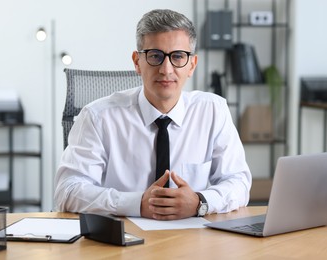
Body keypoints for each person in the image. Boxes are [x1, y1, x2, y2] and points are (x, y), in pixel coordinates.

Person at [54, 9, 252, 220]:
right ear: (137, 62)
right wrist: (137, 204)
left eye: (177, 56)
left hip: (192, 241)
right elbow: (67, 191)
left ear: (192, 65)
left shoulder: (213, 111)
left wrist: (200, 202)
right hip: (122, 241)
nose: (166, 69)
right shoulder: (97, 117)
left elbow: (238, 182)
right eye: (155, 56)